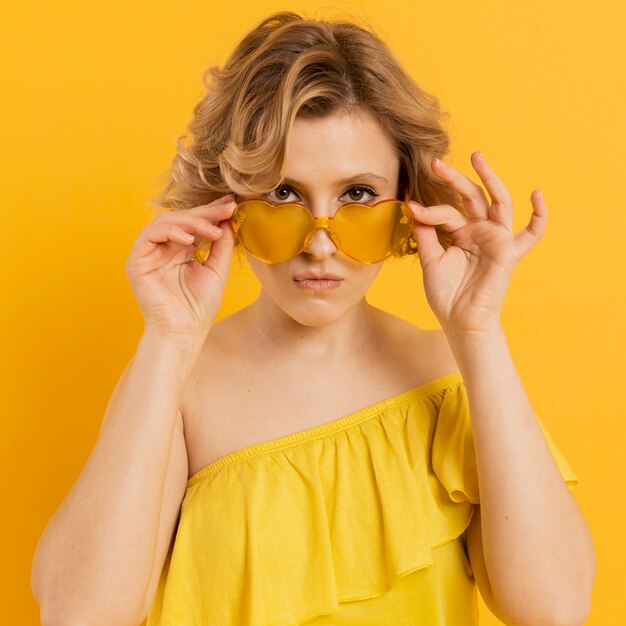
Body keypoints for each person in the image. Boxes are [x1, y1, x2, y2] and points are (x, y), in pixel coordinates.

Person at [31, 11, 595, 626]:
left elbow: (556, 609)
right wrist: (169, 339)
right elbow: (77, 614)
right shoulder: (180, 389)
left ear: (407, 203)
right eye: (283, 194)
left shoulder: (448, 376)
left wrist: (479, 333)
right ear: (231, 201)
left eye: (356, 194)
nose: (319, 244)